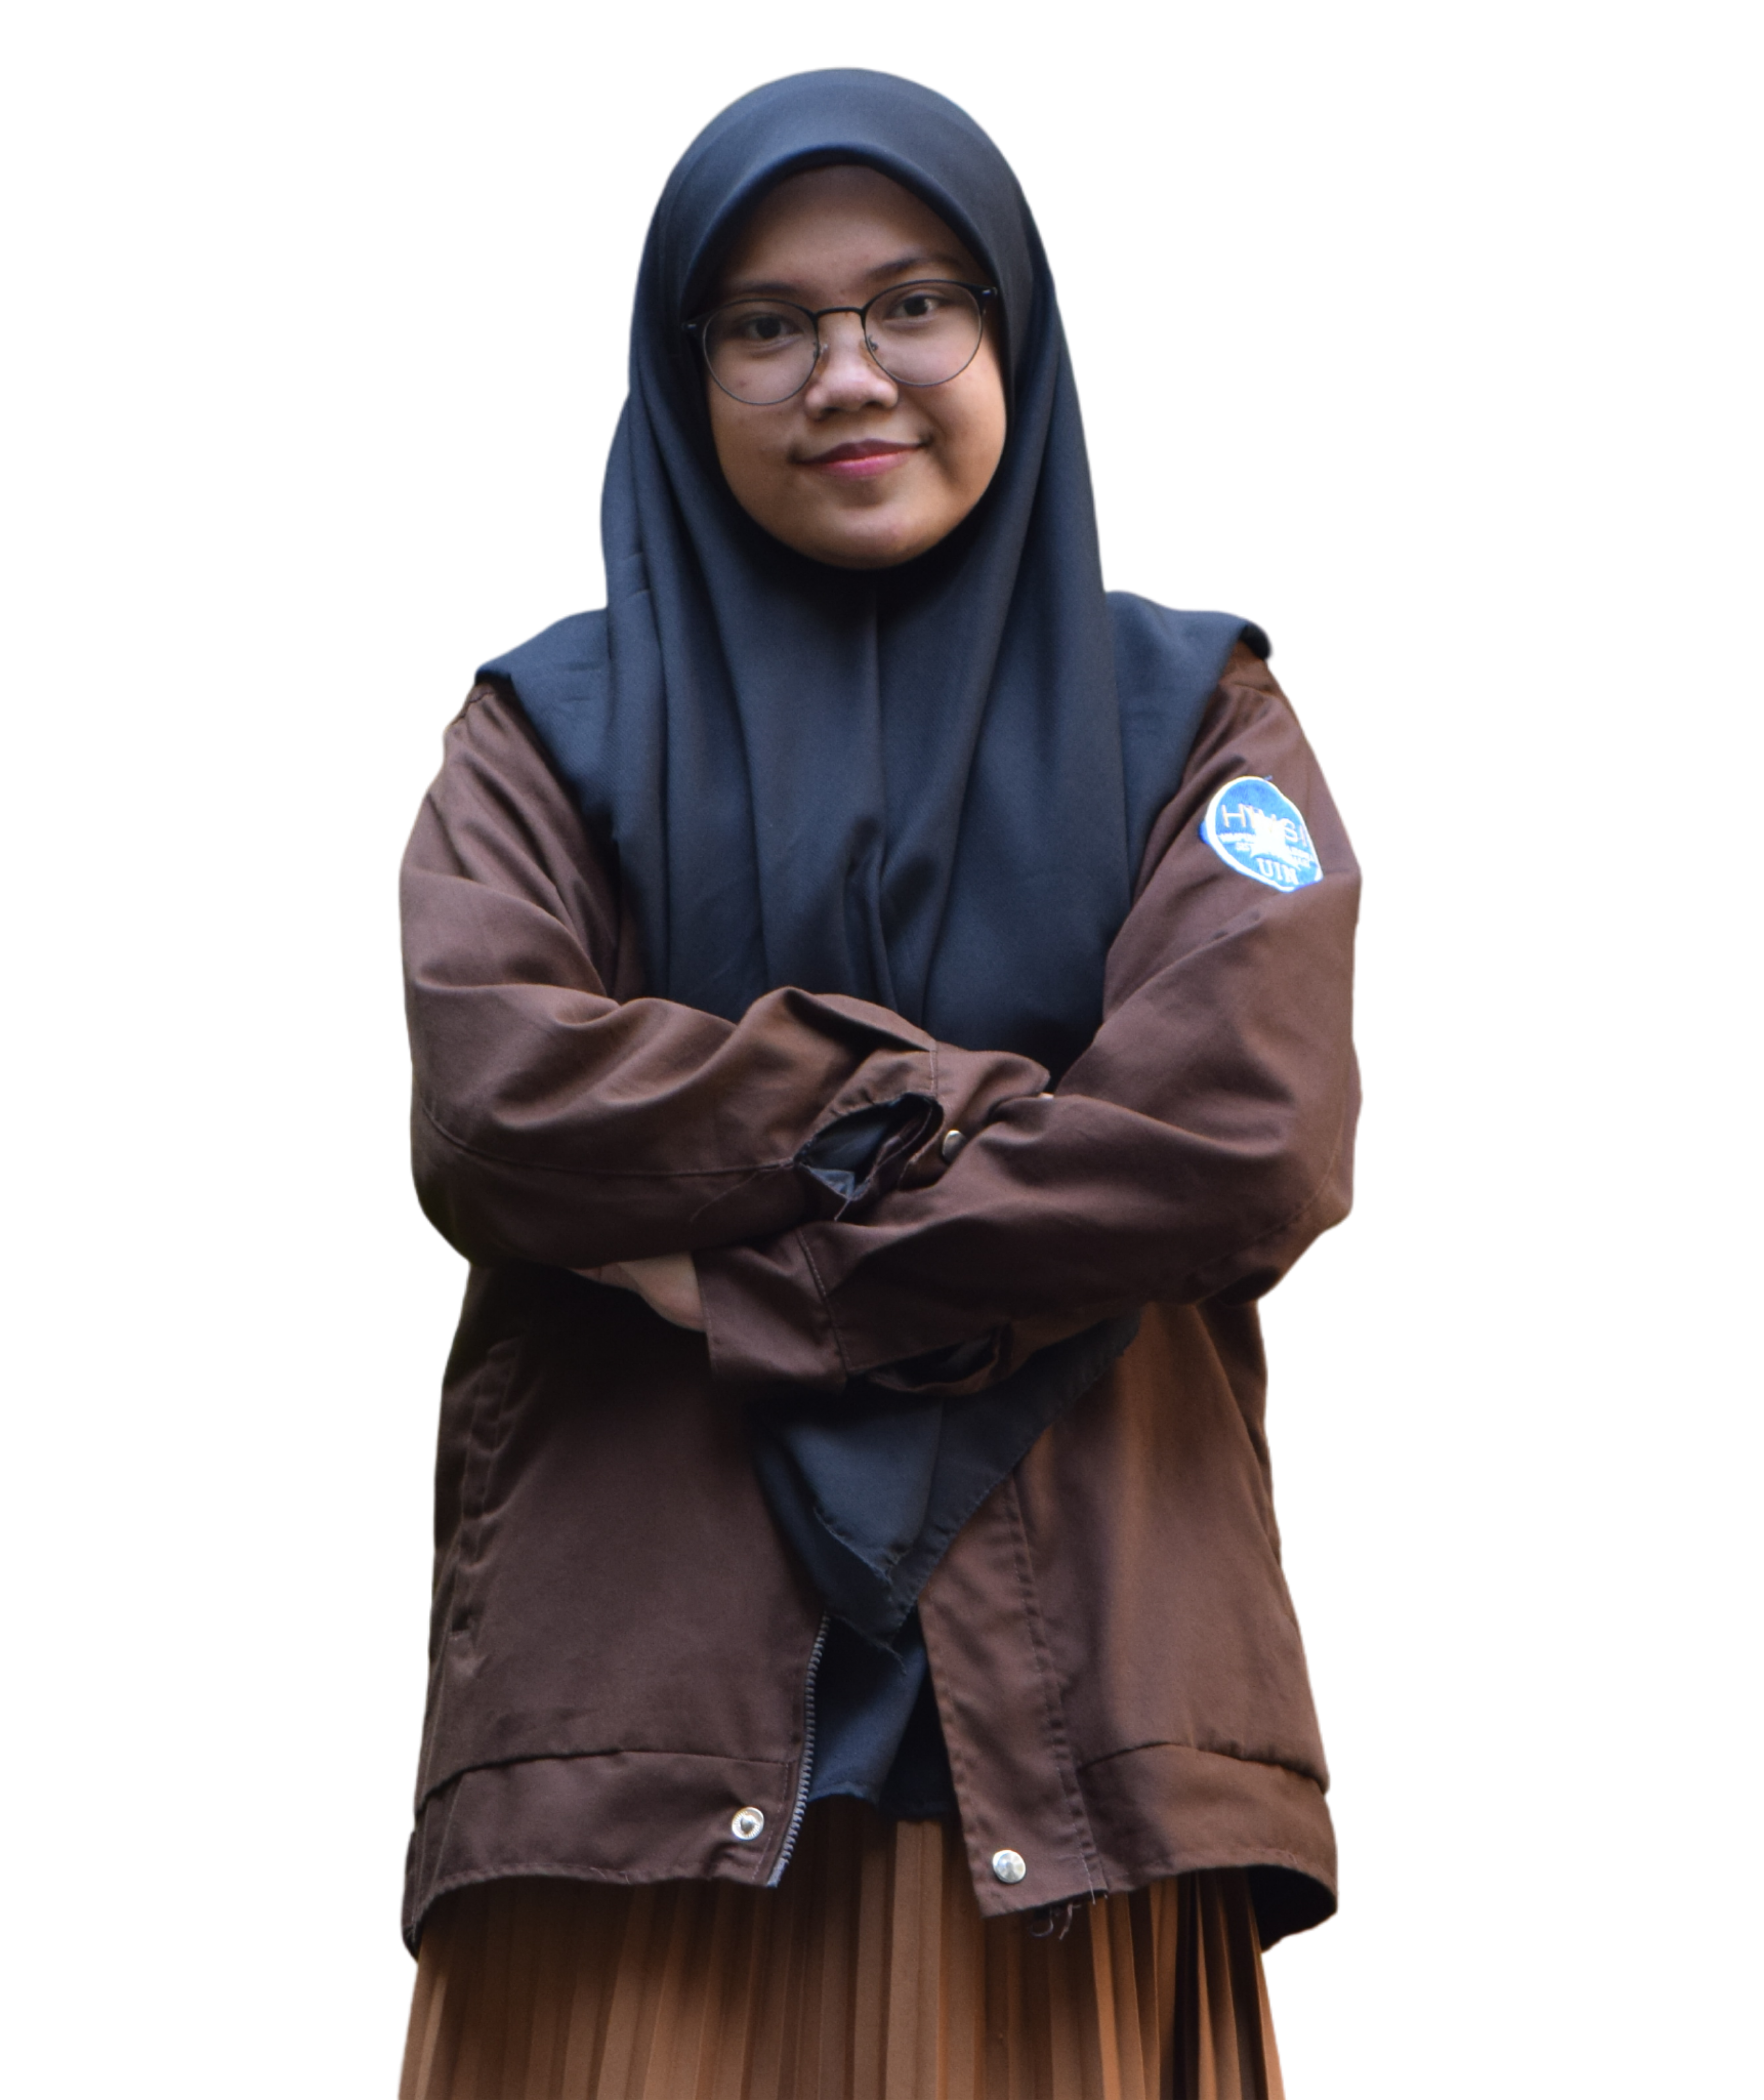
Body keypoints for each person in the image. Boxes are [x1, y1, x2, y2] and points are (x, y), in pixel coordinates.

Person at [395, 66, 1360, 2100]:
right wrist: (936, 1107)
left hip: (1087, 1735)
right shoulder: (544, 731)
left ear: (1016, 329)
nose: (849, 373)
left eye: (917, 302)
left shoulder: (1196, 716)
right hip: (630, 1758)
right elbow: (494, 1105)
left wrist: (754, 1279)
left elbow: (1244, 1149)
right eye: (768, 322)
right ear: (689, 372)